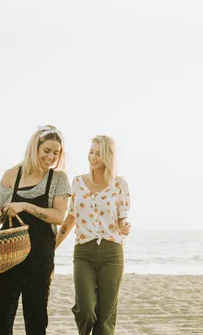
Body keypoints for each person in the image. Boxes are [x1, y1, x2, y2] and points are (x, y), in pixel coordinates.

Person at [0, 125, 71, 335]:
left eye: (56, 152)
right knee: (4, 313)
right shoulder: (11, 175)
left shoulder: (58, 179)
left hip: (40, 256)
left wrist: (26, 206)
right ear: (35, 148)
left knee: (36, 315)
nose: (51, 156)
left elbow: (58, 217)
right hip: (7, 255)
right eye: (47, 151)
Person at [55, 135, 131, 335]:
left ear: (108, 157)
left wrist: (124, 226)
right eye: (91, 152)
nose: (92, 157)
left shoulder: (120, 185)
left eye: (98, 153)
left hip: (112, 253)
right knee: (87, 310)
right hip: (84, 253)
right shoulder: (78, 183)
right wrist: (51, 248)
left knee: (105, 317)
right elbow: (70, 219)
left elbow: (122, 218)